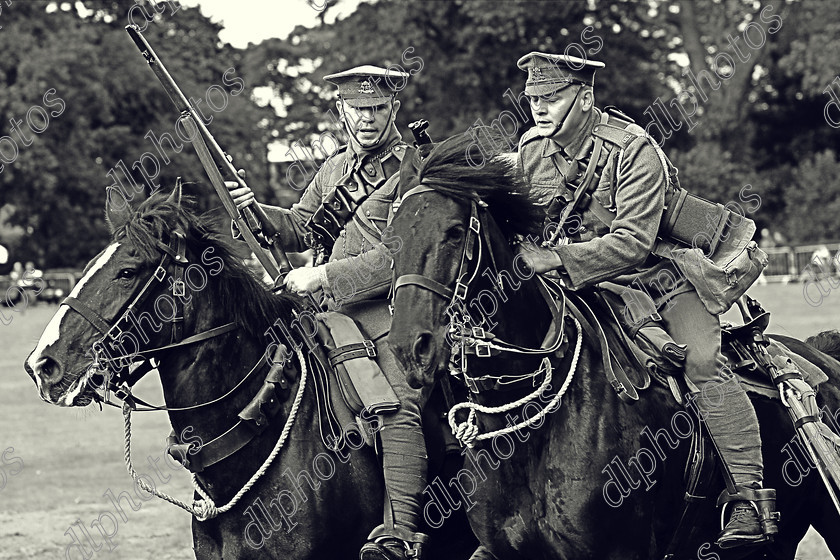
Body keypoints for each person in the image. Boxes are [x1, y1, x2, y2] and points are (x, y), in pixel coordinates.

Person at [514, 51, 772, 549]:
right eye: (533, 99)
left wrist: (554, 259)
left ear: (584, 98)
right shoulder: (531, 150)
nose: (539, 108)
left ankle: (747, 496)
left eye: (551, 98)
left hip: (656, 283)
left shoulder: (634, 151)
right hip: (581, 287)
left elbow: (632, 241)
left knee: (701, 362)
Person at [227, 66, 429, 560]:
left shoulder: (413, 170)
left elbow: (397, 258)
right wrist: (254, 208)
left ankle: (400, 534)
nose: (367, 118)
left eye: (377, 109)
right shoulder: (335, 169)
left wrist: (321, 276)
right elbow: (299, 227)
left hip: (387, 314)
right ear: (341, 110)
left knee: (397, 407)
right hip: (324, 314)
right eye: (357, 109)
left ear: (393, 111)